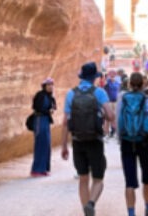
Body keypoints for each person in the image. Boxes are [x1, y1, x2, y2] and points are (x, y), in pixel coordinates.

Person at [62, 62, 116, 216]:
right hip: (95, 141)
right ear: (94, 78)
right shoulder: (99, 93)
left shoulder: (71, 94)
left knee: (83, 178)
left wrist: (64, 145)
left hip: (78, 141)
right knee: (98, 179)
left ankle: (87, 212)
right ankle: (91, 203)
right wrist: (104, 118)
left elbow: (65, 122)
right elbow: (111, 116)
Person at [117, 72, 148, 216]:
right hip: (144, 142)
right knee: (147, 177)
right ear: (143, 85)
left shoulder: (122, 99)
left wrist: (120, 140)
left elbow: (119, 122)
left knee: (129, 181)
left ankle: (131, 213)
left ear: (129, 84)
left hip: (127, 142)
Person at [30, 78, 56, 177]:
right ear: (44, 86)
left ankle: (44, 169)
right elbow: (37, 107)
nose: (50, 87)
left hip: (46, 121)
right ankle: (36, 170)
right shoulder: (40, 95)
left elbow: (53, 106)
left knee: (46, 144)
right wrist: (48, 111)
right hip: (40, 120)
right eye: (48, 85)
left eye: (52, 85)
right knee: (40, 144)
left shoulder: (50, 96)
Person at [104, 70, 121, 137]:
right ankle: (106, 133)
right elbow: (104, 88)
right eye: (111, 75)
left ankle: (116, 133)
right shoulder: (107, 83)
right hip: (109, 102)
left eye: (113, 75)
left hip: (116, 102)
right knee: (108, 118)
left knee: (116, 118)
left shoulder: (117, 83)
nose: (112, 76)